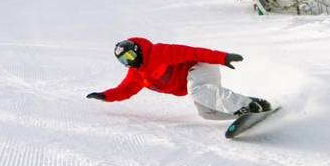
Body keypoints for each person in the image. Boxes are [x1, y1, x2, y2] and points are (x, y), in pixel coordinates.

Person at [87, 36, 271, 121]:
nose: (129, 62)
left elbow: (193, 52)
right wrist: (105, 96)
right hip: (193, 80)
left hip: (200, 66)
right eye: (124, 61)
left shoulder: (158, 53)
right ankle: (248, 107)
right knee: (207, 114)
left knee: (197, 91)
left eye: (129, 56)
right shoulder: (136, 74)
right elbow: (124, 90)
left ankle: (245, 105)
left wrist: (222, 57)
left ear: (136, 51)